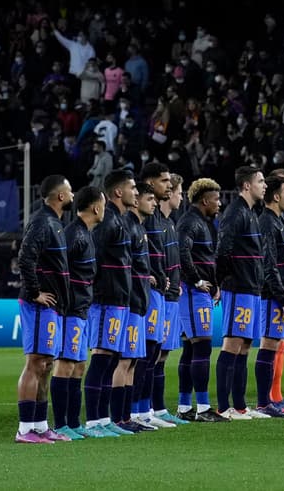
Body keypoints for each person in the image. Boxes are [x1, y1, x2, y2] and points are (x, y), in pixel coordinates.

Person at [15, 175, 74, 444]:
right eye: (70, 191)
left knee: (47, 364)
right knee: (36, 362)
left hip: (54, 305)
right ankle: (25, 428)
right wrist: (34, 293)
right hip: (40, 305)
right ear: (60, 196)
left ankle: (39, 425)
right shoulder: (42, 222)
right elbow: (25, 256)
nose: (72, 194)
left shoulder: (55, 222)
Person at [215, 165, 270, 419]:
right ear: (247, 186)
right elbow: (223, 249)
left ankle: (239, 406)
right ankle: (224, 407)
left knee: (245, 345)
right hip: (238, 287)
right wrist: (226, 278)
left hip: (251, 288)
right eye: (260, 181)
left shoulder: (250, 213)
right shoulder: (235, 212)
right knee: (232, 344)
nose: (265, 185)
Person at [83, 170, 134, 437]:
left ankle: (103, 419)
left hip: (118, 300)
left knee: (112, 359)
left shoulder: (119, 220)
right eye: (132, 188)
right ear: (118, 192)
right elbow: (94, 258)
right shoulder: (108, 221)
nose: (136, 192)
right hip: (105, 300)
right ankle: (94, 421)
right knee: (102, 360)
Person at [52, 186, 106, 439]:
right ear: (96, 207)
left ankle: (73, 423)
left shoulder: (85, 234)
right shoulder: (75, 235)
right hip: (70, 309)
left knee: (78, 366)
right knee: (65, 365)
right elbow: (59, 270)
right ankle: (61, 423)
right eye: (103, 205)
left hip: (82, 309)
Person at [175, 178, 227, 423]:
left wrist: (214, 286)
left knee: (191, 348)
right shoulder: (189, 222)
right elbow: (182, 252)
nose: (219, 203)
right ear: (205, 200)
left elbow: (206, 258)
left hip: (200, 293)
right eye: (216, 199)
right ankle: (204, 407)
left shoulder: (203, 223)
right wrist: (197, 281)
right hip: (192, 293)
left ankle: (185, 407)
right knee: (202, 347)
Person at [133, 163, 176, 430]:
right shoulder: (144, 218)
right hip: (146, 293)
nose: (168, 186)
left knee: (154, 352)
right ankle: (136, 410)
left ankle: (145, 409)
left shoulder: (159, 217)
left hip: (160, 291)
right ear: (148, 183)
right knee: (144, 353)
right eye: (163, 181)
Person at [254, 173, 284, 417]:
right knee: (269, 344)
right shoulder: (267, 223)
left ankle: (271, 399)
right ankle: (263, 402)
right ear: (275, 196)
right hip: (272, 295)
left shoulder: (279, 221)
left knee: (276, 345)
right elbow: (268, 265)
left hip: (280, 293)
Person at [151, 173, 189, 426]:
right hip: (160, 297)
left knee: (163, 354)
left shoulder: (170, 223)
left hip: (173, 294)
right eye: (178, 192)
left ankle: (158, 408)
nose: (180, 197)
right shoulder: (154, 223)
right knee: (152, 354)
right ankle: (142, 410)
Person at [120, 185, 158, 432]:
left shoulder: (139, 227)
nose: (153, 203)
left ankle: (128, 416)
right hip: (128, 302)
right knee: (124, 361)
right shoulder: (128, 226)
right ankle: (115, 417)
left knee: (133, 360)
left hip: (138, 301)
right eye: (148, 198)